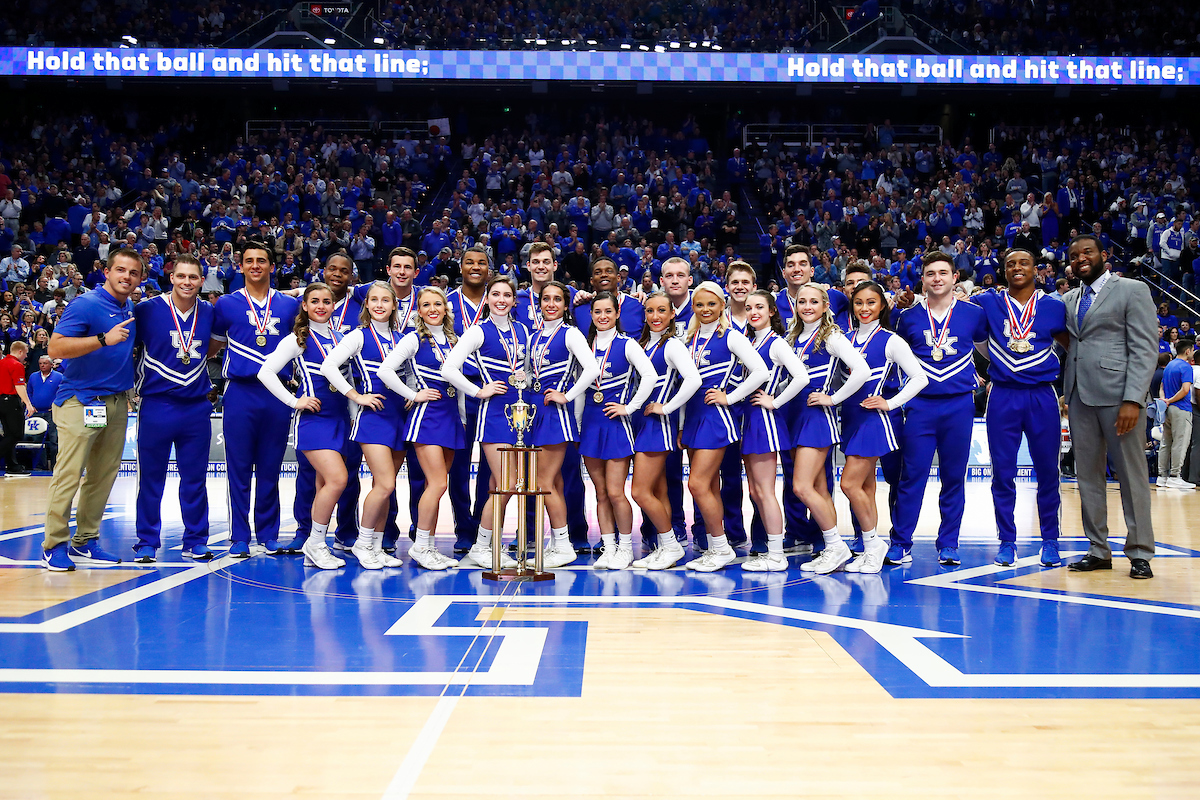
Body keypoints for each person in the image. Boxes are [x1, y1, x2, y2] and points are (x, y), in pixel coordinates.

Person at [1063, 234, 1159, 579]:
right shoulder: (1071, 298)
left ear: (1105, 255)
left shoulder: (1132, 290)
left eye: (1087, 252)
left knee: (1132, 476)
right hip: (1079, 397)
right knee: (1088, 476)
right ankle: (1098, 549)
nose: (1080, 258)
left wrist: (1134, 398)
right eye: (1074, 255)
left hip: (1120, 398)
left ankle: (1139, 552)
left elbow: (1146, 348)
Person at [40, 248, 141, 571]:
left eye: (133, 273)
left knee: (102, 476)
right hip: (79, 401)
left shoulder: (129, 308)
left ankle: (85, 540)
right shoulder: (86, 304)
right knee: (69, 474)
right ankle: (54, 544)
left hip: (114, 403)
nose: (126, 277)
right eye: (121, 270)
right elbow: (55, 347)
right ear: (107, 272)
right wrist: (101, 339)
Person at [888, 253, 987, 566]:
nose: (937, 278)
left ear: (955, 277)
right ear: (923, 279)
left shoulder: (974, 314)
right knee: (911, 476)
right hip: (920, 406)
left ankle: (949, 543)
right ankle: (901, 542)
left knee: (954, 477)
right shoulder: (909, 317)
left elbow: (986, 349)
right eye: (930, 273)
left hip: (959, 404)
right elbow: (895, 356)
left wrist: (988, 374)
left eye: (943, 272)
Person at [975, 249, 1070, 567]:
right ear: (1003, 270)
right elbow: (973, 337)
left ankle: (1051, 541)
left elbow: (1074, 347)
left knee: (1048, 473)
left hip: (1042, 395)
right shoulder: (988, 302)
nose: (1016, 267)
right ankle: (1007, 541)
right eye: (1010, 263)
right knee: (1002, 473)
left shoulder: (1054, 307)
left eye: (1023, 263)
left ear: (1036, 269)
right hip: (1002, 395)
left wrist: (1068, 390)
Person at [829, 282, 927, 574]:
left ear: (882, 306)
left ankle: (875, 546)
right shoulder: (843, 338)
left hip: (875, 420)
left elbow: (920, 378)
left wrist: (891, 403)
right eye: (859, 303)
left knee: (849, 483)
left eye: (871, 302)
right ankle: (870, 546)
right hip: (851, 417)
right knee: (866, 487)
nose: (864, 308)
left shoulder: (891, 340)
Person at [210, 243, 300, 558]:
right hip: (240, 392)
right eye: (249, 261)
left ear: (272, 266)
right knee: (237, 467)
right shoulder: (225, 305)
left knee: (271, 467)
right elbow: (212, 348)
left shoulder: (290, 306)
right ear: (241, 266)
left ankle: (268, 533)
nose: (255, 265)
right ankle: (238, 536)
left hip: (276, 393)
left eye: (262, 260)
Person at [257, 283, 350, 570]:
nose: (321, 306)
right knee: (337, 480)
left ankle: (317, 544)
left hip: (341, 418)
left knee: (325, 484)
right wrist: (293, 400)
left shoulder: (342, 337)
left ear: (334, 306)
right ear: (305, 306)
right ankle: (314, 543)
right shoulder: (298, 339)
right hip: (314, 420)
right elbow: (266, 372)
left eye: (326, 301)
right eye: (315, 301)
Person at [440, 275, 531, 569]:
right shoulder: (478, 331)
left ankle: (488, 542)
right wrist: (478, 391)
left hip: (521, 414)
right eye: (496, 294)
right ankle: (481, 545)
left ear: (514, 300)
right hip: (493, 414)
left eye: (507, 295)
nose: (501, 300)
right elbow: (449, 368)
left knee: (499, 485)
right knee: (507, 482)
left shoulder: (523, 330)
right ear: (488, 299)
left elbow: (527, 371)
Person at [131, 254, 215, 562]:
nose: (187, 282)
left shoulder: (209, 312)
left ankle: (195, 540)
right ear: (171, 277)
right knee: (151, 479)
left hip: (196, 408)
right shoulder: (147, 310)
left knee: (195, 479)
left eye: (193, 277)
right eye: (182, 276)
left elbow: (215, 345)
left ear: (201, 281)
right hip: (157, 405)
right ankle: (146, 540)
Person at [375, 286, 465, 569]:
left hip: (450, 416)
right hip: (427, 416)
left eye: (438, 304)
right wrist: (413, 395)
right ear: (419, 311)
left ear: (446, 308)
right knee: (437, 483)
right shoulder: (413, 340)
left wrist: (461, 417)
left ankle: (428, 545)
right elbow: (385, 370)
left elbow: (459, 383)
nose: (433, 309)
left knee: (436, 485)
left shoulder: (455, 340)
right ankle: (421, 547)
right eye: (426, 305)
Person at [680, 281, 768, 571]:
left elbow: (760, 372)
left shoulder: (732, 337)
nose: (706, 309)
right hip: (693, 418)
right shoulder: (688, 339)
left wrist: (730, 397)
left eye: (712, 304)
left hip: (716, 419)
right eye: (700, 304)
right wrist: (681, 424)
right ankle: (717, 546)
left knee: (697, 484)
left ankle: (720, 547)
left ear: (722, 306)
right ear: (693, 307)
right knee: (709, 486)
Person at [320, 280, 408, 569]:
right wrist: (355, 395)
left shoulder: (402, 337)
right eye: (374, 300)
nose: (380, 304)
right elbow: (328, 366)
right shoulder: (358, 336)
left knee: (385, 486)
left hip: (399, 416)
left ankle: (377, 545)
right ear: (366, 305)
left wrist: (411, 394)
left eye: (386, 300)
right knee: (385, 483)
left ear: (395, 304)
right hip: (373, 417)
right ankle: (362, 543)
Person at [788, 285, 870, 574]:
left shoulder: (832, 336)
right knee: (819, 488)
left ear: (825, 306)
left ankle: (836, 546)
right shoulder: (795, 336)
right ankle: (830, 546)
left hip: (817, 418)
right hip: (798, 417)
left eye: (814, 301)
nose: (807, 306)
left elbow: (862, 370)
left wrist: (833, 398)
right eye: (802, 301)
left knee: (801, 486)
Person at [579, 290, 657, 570]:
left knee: (615, 491)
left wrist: (631, 407)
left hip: (615, 423)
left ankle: (625, 547)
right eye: (598, 312)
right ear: (591, 315)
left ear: (617, 314)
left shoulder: (627, 344)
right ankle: (608, 546)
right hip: (590, 421)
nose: (603, 316)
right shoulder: (584, 345)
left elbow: (650, 376)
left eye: (608, 312)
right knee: (599, 492)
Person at [524, 281, 599, 567]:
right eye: (546, 299)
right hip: (536, 413)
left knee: (545, 483)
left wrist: (566, 395)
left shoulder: (570, 334)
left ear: (565, 305)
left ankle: (564, 544)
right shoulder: (533, 336)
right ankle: (558, 543)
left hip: (556, 414)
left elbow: (591, 368)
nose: (551, 304)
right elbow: (532, 374)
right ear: (539, 303)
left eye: (557, 299)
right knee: (550, 481)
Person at [629, 292, 702, 570]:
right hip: (642, 423)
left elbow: (693, 380)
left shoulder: (672, 345)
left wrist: (668, 408)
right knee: (658, 491)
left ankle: (671, 545)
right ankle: (664, 545)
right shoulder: (644, 343)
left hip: (656, 425)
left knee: (640, 491)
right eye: (650, 311)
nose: (656, 316)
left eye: (662, 310)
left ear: (673, 314)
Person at [739, 290, 810, 571]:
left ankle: (777, 554)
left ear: (772, 311)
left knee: (765, 491)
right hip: (749, 417)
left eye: (759, 307)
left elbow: (801, 377)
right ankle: (774, 550)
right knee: (756, 491)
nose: (753, 312)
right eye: (748, 307)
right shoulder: (749, 341)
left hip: (764, 420)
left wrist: (775, 402)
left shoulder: (776, 343)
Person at [446, 245, 494, 553]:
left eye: (481, 263)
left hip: (493, 394)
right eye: (469, 262)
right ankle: (464, 528)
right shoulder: (447, 303)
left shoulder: (500, 302)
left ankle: (484, 527)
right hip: (458, 393)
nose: (475, 267)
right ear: (460, 267)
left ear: (489, 270)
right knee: (458, 467)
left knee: (492, 468)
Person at [1157, 339, 1195, 489]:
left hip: (1168, 409)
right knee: (1180, 442)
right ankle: (1175, 476)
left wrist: (1164, 400)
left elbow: (1162, 386)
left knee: (1166, 442)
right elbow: (1185, 389)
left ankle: (1162, 476)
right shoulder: (1186, 367)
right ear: (1187, 351)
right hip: (1181, 408)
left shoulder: (1169, 366)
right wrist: (1171, 400)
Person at [0, 339, 35, 476]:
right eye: (26, 353)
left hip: (1, 401)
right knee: (16, 434)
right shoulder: (16, 365)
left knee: (9, 434)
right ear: (20, 351)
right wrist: (28, 404)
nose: (26, 356)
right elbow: (19, 386)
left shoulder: (1, 363)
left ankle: (13, 466)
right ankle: (11, 464)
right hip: (11, 402)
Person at [26, 354, 62, 469]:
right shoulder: (33, 376)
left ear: (51, 364)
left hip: (52, 413)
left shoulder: (59, 377)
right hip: (36, 412)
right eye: (40, 363)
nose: (42, 365)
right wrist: (31, 405)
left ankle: (56, 466)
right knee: (37, 441)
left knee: (54, 440)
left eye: (45, 363)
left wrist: (55, 404)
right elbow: (29, 392)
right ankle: (40, 466)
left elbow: (62, 393)